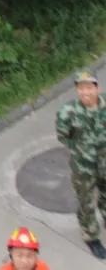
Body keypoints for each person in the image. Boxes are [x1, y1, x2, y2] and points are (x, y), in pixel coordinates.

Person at [56, 69, 106, 258]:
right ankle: (91, 237)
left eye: (89, 88)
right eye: (81, 88)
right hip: (84, 167)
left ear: (97, 88)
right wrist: (80, 150)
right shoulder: (68, 112)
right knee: (86, 203)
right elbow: (63, 136)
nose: (85, 93)